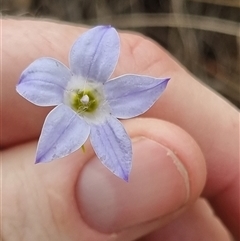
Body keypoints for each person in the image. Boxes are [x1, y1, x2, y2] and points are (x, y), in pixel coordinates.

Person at [1, 19, 239, 241]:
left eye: (88, 99)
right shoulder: (52, 86)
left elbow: (118, 156)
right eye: (85, 98)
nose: (85, 100)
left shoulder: (101, 109)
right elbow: (32, 84)